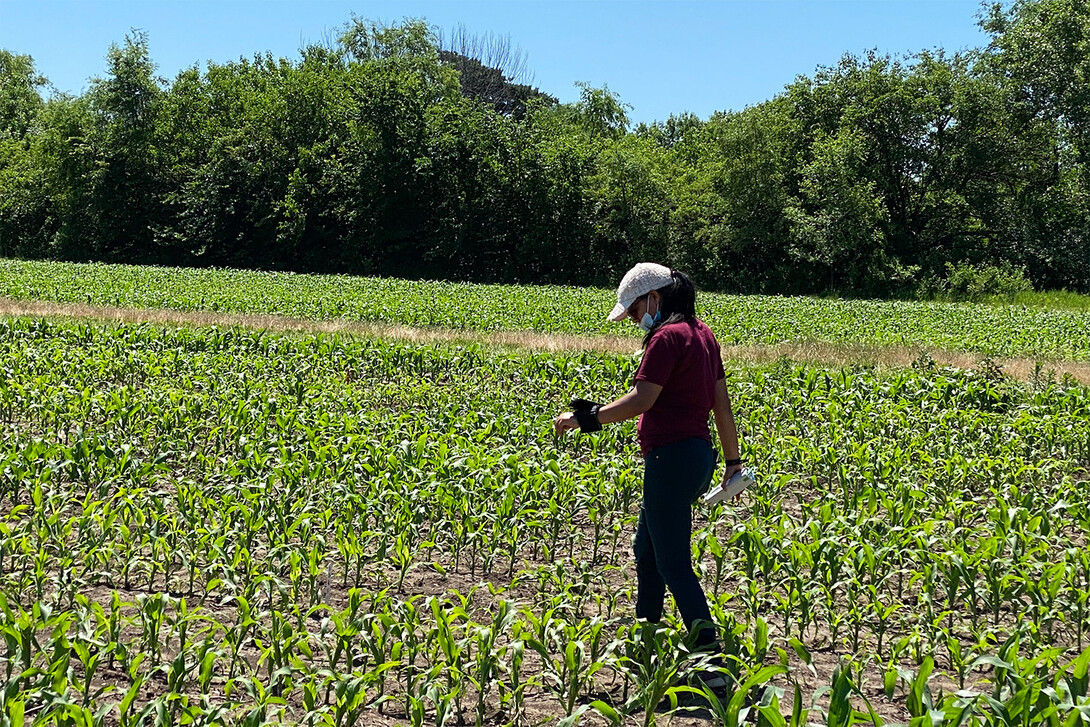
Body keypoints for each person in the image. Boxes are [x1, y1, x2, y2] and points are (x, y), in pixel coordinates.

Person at [554, 262, 744, 663]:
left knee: (673, 561)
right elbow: (722, 408)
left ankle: (710, 655)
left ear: (654, 297)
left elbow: (642, 399)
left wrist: (585, 419)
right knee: (646, 549)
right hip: (696, 457)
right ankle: (647, 635)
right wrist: (732, 461)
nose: (636, 320)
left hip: (670, 458)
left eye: (636, 310)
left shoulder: (667, 338)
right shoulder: (703, 335)